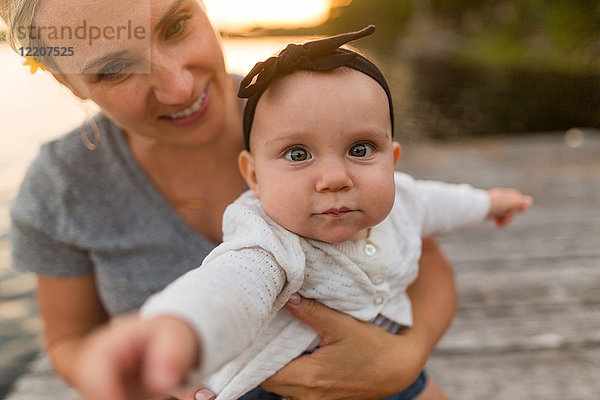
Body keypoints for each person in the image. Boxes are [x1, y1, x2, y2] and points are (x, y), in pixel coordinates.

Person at [2, 1, 465, 399]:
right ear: (68, 82)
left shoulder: (308, 113)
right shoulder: (61, 185)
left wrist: (405, 358)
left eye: (175, 26)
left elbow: (421, 252)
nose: (179, 86)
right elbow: (69, 340)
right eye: (114, 69)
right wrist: (137, 377)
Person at [72, 27, 532, 400]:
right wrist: (180, 328)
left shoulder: (402, 200)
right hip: (281, 387)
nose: (334, 177)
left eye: (359, 148)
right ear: (253, 176)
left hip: (386, 363)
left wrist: (489, 203)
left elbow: (439, 203)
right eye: (297, 154)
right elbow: (230, 288)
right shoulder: (269, 241)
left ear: (392, 160)